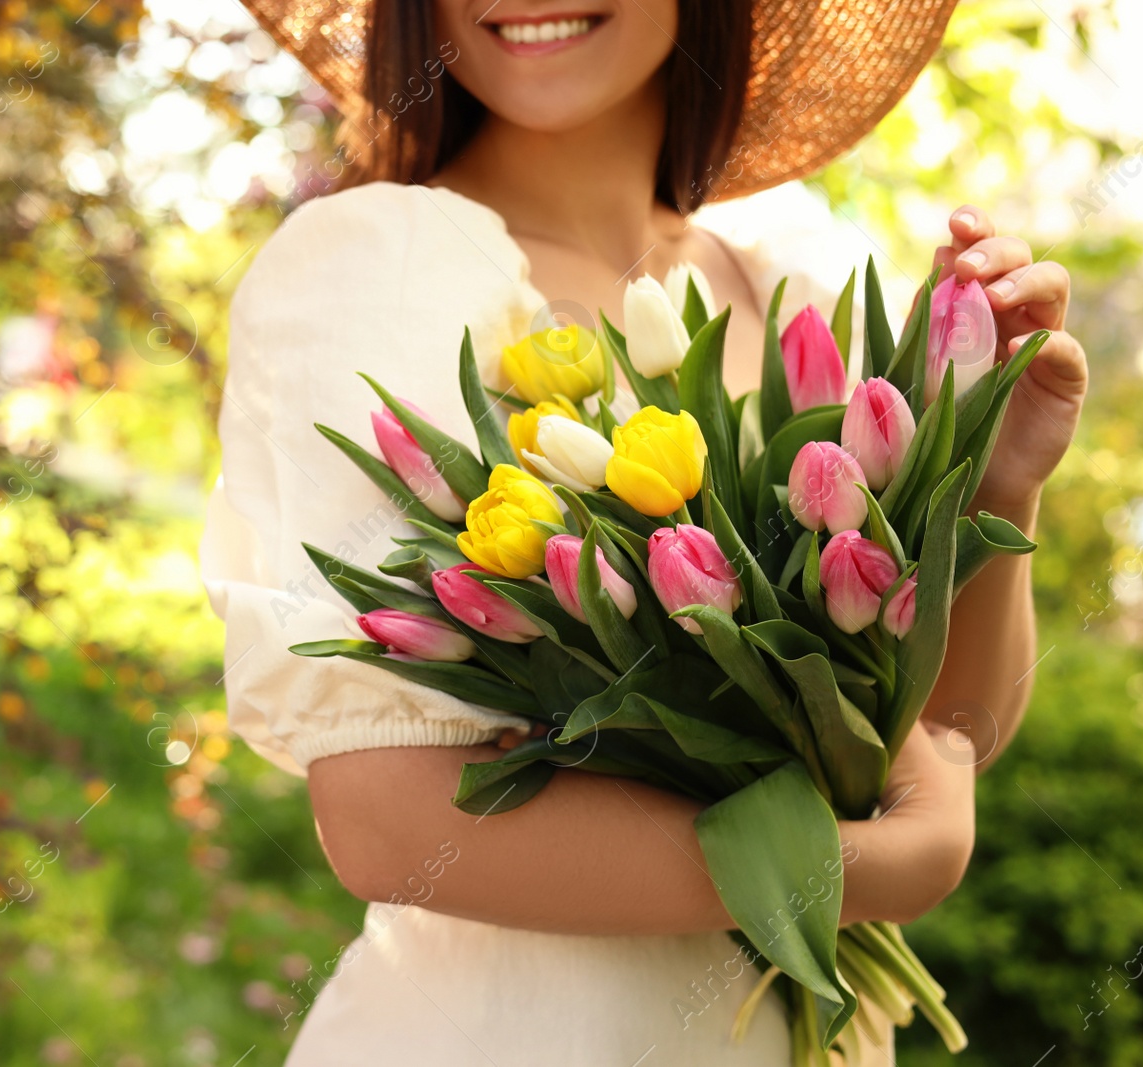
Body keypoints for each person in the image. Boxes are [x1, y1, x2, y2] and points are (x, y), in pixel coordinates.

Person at [199, 1, 1089, 1062]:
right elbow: (386, 818)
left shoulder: (781, 283)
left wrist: (992, 479)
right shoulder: (381, 269)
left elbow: (935, 734)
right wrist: (847, 874)